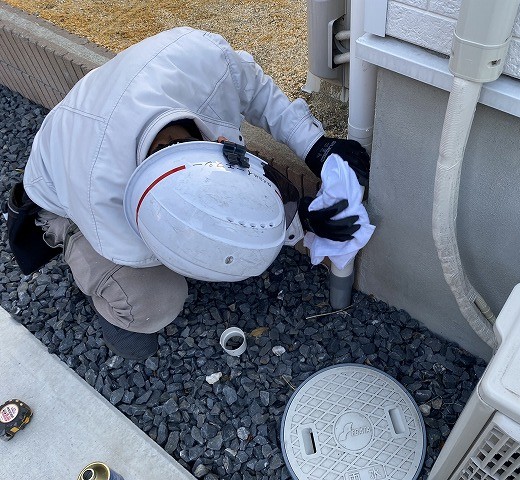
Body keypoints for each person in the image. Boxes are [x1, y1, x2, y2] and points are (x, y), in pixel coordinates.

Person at [14, 27, 370, 360]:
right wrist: (281, 227)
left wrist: (314, 145)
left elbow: (256, 91)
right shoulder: (101, 198)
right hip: (65, 196)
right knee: (154, 301)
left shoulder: (203, 63)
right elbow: (178, 244)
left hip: (98, 125)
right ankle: (66, 236)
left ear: (210, 143)